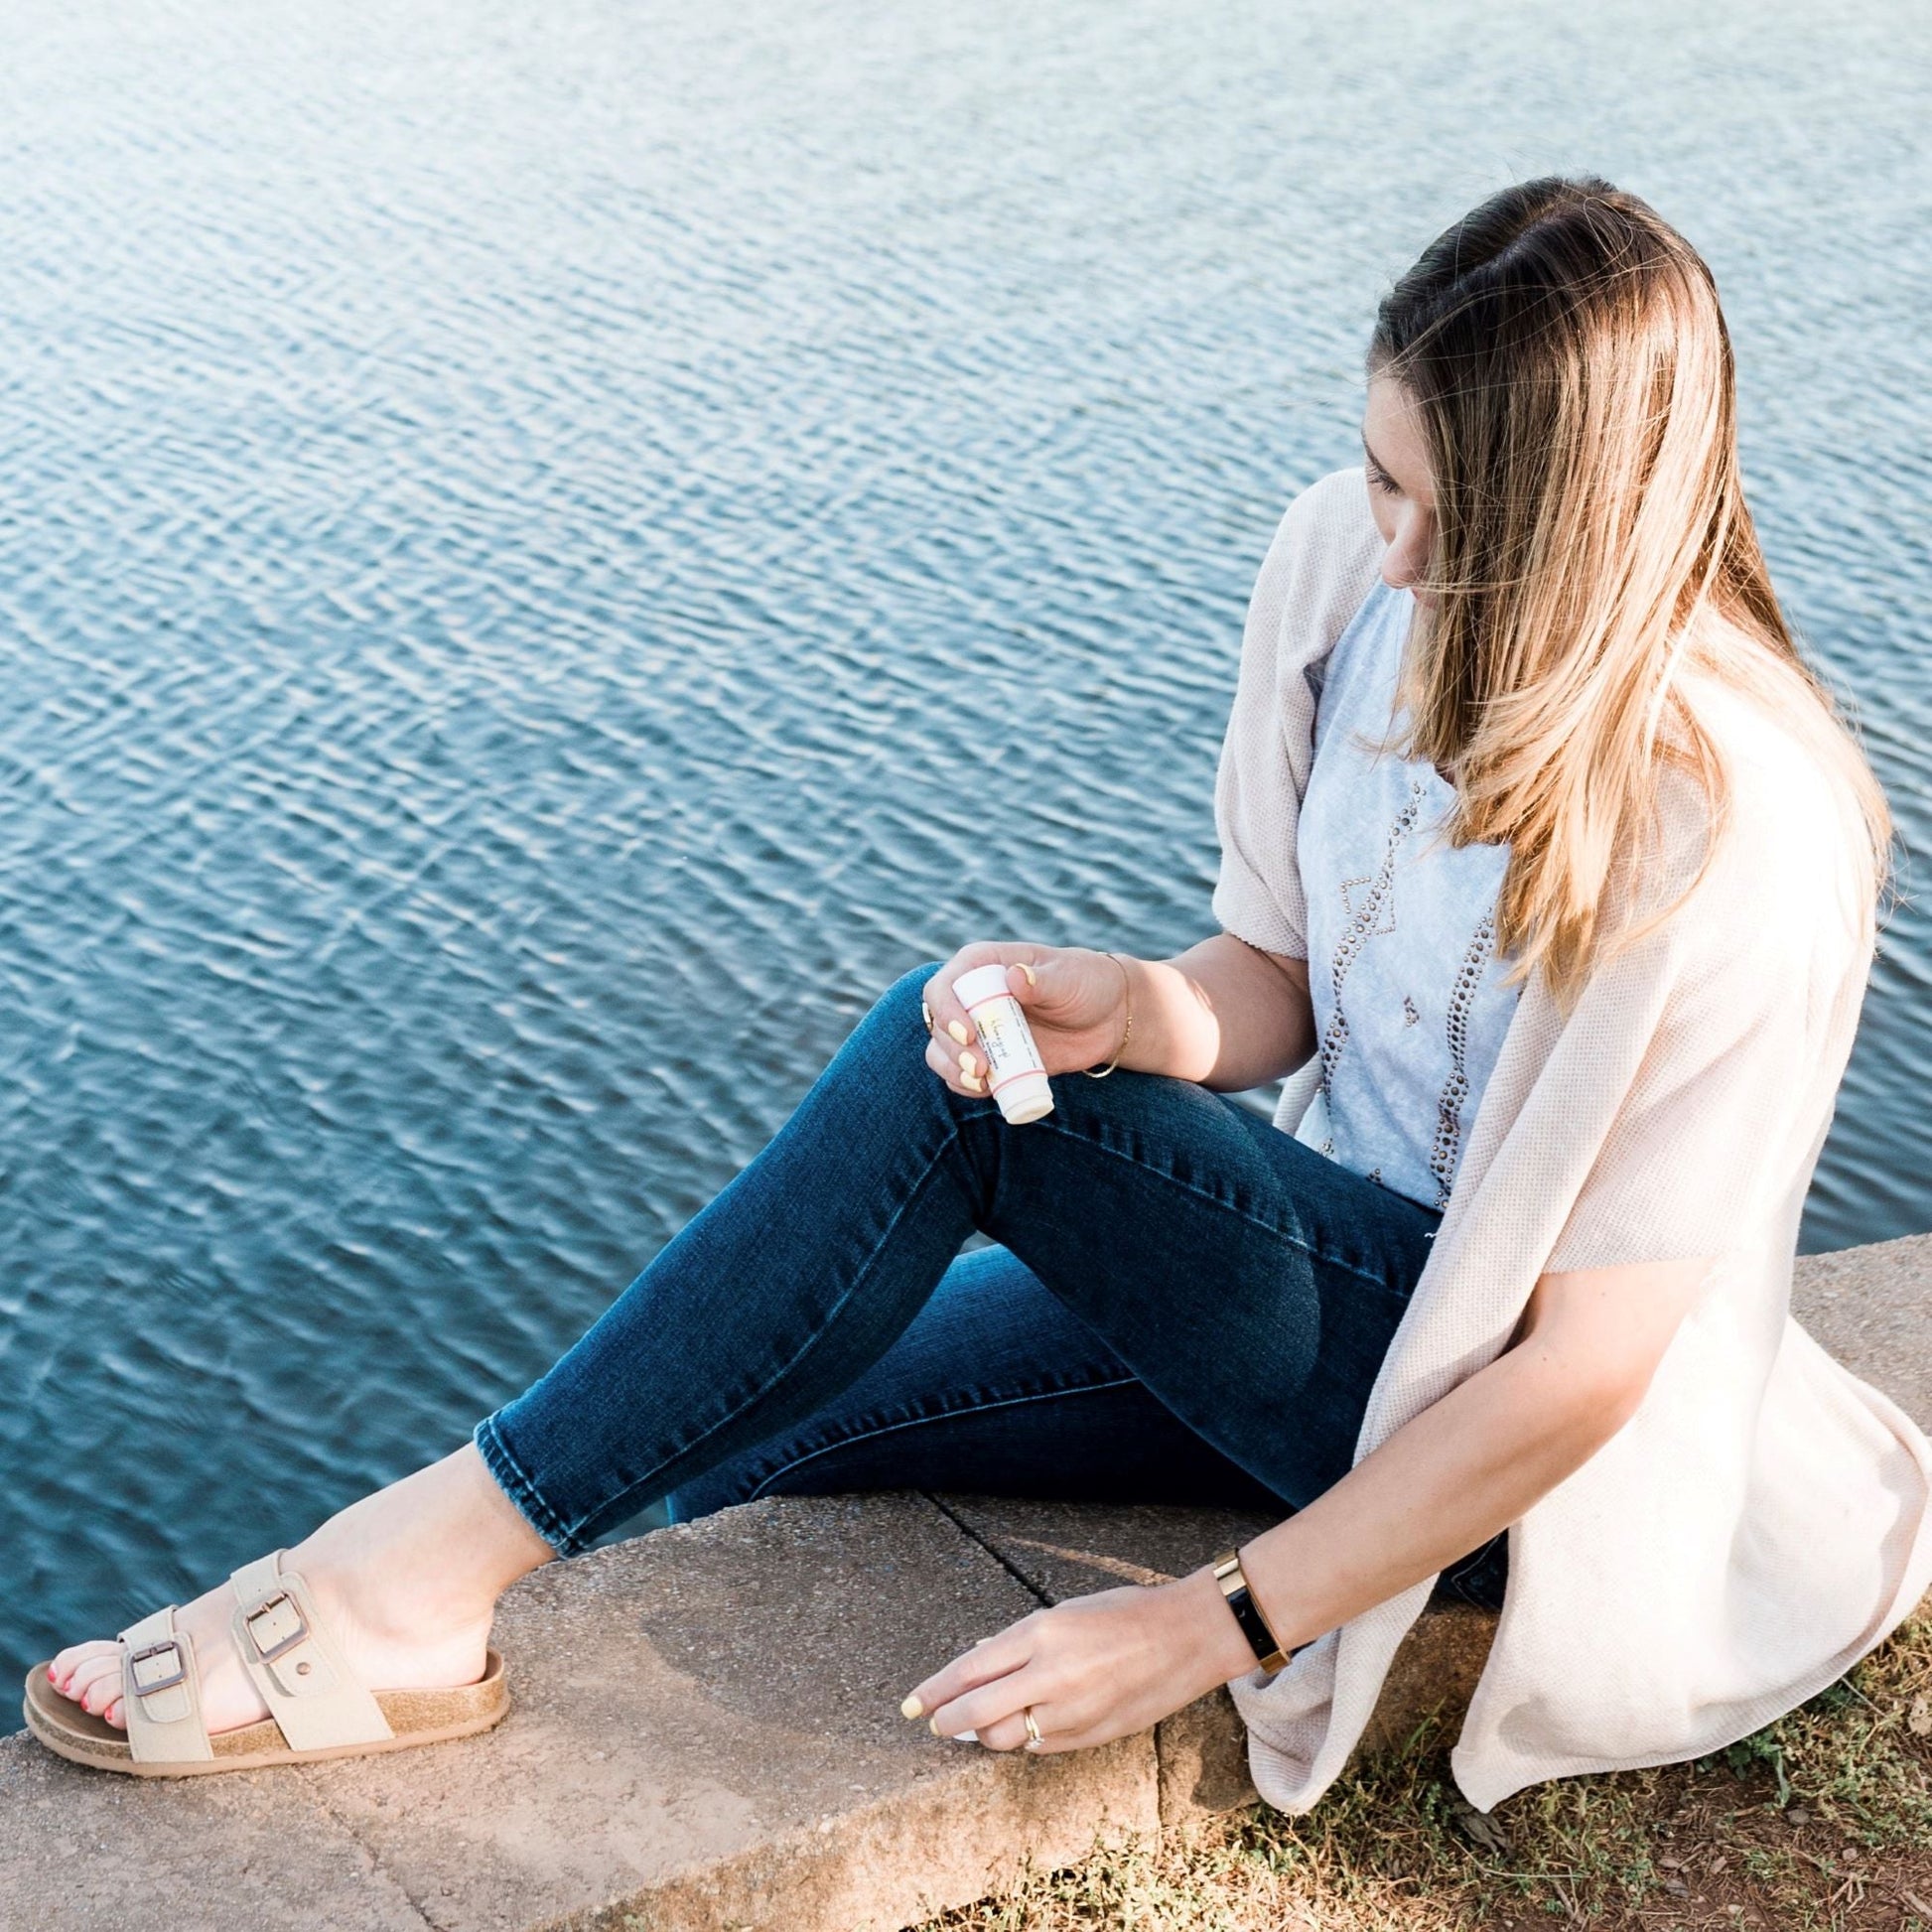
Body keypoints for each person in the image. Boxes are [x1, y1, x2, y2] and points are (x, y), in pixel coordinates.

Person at [31, 176, 1932, 1811]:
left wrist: (1213, 1621)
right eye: (1378, 472)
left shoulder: (1740, 830)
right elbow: (1270, 981)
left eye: (1453, 520)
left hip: (1515, 1450)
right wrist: (1136, 1011)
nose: (1396, 546)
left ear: (1589, 532)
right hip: (1313, 1306)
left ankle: (390, 1586)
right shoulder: (1341, 569)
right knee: (755, 1423)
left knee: (930, 1099)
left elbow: (1586, 1372)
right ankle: (423, 1591)